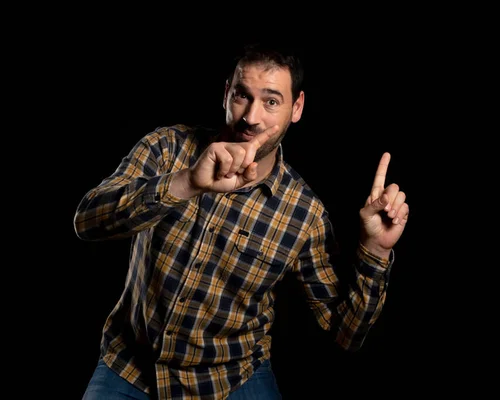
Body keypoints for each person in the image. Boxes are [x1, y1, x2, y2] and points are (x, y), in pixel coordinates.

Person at [74, 42, 409, 400]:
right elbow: (87, 220)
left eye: (271, 101)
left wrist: (375, 251)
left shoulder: (304, 213)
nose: (251, 117)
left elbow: (347, 334)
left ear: (297, 108)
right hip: (130, 367)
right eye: (241, 96)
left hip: (230, 380)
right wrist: (185, 183)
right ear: (225, 94)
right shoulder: (167, 147)